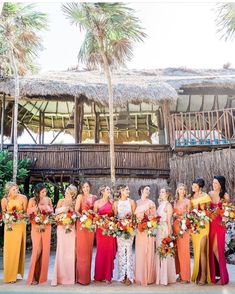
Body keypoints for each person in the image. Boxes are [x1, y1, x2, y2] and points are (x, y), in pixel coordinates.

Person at [1, 182, 27, 283]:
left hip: (20, 225)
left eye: (17, 189)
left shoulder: (23, 198)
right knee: (9, 250)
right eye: (13, 190)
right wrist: (8, 218)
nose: (16, 191)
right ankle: (9, 275)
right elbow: (3, 214)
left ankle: (17, 273)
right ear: (8, 191)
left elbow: (25, 212)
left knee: (18, 249)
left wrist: (20, 216)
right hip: (10, 226)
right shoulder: (4, 200)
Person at [51, 184, 78, 286]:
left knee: (70, 252)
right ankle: (60, 278)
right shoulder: (60, 201)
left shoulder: (75, 203)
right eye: (66, 191)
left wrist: (71, 213)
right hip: (61, 228)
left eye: (69, 192)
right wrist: (61, 216)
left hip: (71, 228)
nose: (66, 193)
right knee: (61, 252)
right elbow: (56, 213)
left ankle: (70, 278)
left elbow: (76, 215)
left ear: (73, 194)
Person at [27, 183, 53, 285]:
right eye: (42, 192)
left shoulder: (48, 200)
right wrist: (37, 225)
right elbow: (29, 215)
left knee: (45, 250)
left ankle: (41, 277)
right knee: (37, 250)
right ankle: (32, 277)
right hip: (36, 227)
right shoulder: (32, 200)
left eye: (45, 191)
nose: (44, 193)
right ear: (37, 192)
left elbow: (51, 214)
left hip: (46, 227)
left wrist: (46, 222)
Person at [113, 184, 136, 286]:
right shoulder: (116, 203)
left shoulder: (131, 202)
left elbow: (134, 217)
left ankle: (129, 276)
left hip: (130, 230)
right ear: (121, 191)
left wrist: (129, 224)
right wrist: (119, 225)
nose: (128, 191)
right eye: (126, 189)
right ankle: (122, 275)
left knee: (129, 251)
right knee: (121, 252)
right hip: (120, 231)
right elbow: (115, 217)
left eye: (128, 189)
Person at [208, 176, 230, 285]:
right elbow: (206, 208)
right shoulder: (210, 194)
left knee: (218, 249)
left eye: (216, 183)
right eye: (213, 183)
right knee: (212, 248)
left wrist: (224, 221)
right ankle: (216, 274)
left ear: (220, 184)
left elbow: (228, 212)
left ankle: (223, 275)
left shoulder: (225, 196)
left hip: (220, 225)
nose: (214, 185)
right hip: (211, 224)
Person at [75, 180, 97, 285]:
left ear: (90, 187)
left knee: (88, 250)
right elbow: (76, 210)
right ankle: (80, 278)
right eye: (84, 187)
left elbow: (96, 211)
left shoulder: (94, 198)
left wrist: (92, 216)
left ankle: (87, 278)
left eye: (87, 186)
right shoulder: (80, 197)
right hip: (82, 225)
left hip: (90, 226)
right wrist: (83, 218)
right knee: (81, 250)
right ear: (81, 188)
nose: (86, 189)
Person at [94, 186, 116, 283]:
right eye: (107, 189)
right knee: (101, 251)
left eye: (109, 189)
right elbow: (94, 217)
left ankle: (108, 277)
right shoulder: (97, 203)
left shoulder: (112, 202)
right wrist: (99, 221)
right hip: (100, 230)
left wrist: (111, 222)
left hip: (110, 230)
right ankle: (99, 276)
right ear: (102, 191)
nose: (109, 191)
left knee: (109, 252)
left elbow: (115, 216)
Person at [190, 177, 211, 285]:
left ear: (200, 187)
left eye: (195, 186)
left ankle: (204, 276)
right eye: (192, 185)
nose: (193, 187)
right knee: (197, 251)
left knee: (202, 250)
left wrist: (202, 213)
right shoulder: (191, 197)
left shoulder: (206, 196)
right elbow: (189, 212)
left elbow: (209, 211)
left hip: (203, 226)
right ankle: (198, 274)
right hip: (195, 227)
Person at [135, 185, 156, 286]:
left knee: (148, 253)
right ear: (141, 190)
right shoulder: (136, 203)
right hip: (140, 231)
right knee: (140, 253)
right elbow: (134, 217)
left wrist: (150, 222)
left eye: (149, 189)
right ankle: (139, 277)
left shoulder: (151, 203)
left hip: (148, 231)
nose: (148, 191)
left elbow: (155, 217)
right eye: (146, 189)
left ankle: (148, 277)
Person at [156, 187, 176, 286]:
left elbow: (169, 221)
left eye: (163, 192)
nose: (161, 193)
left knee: (165, 251)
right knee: (159, 251)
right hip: (159, 229)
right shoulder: (160, 205)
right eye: (160, 192)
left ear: (167, 194)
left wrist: (169, 234)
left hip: (164, 229)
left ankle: (165, 278)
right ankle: (159, 276)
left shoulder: (168, 205)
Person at [173, 183, 191, 283]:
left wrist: (183, 219)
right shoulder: (175, 201)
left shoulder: (188, 201)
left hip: (184, 227)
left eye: (184, 189)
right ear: (177, 190)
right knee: (177, 251)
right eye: (180, 189)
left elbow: (189, 215)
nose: (182, 191)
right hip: (176, 226)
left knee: (184, 251)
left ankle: (186, 277)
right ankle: (180, 274)